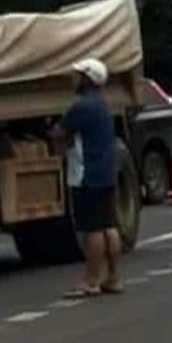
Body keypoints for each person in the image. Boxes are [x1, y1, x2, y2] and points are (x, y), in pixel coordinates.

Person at [53, 58, 122, 298]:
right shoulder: (102, 105)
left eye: (77, 75)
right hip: (105, 173)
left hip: (87, 175)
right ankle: (113, 277)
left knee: (91, 229)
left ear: (87, 79)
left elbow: (60, 132)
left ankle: (91, 280)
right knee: (108, 227)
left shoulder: (82, 107)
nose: (72, 79)